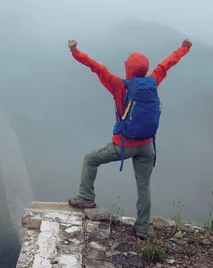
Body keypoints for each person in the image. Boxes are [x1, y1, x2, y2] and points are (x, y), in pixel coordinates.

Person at [66, 38, 193, 240]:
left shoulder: (119, 86)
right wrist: (184, 48)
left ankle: (86, 197)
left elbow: (97, 68)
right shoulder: (153, 81)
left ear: (128, 69)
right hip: (147, 147)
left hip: (124, 145)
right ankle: (142, 228)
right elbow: (167, 63)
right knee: (143, 186)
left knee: (90, 159)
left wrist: (75, 51)